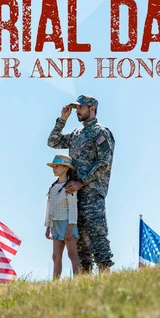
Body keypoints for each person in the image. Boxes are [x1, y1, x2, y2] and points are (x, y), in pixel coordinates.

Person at [47, 95, 115, 273]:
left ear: (92, 108)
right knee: (80, 241)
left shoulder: (101, 132)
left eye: (81, 108)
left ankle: (106, 276)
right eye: (76, 108)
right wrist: (62, 119)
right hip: (73, 195)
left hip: (92, 193)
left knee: (97, 235)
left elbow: (103, 163)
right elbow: (53, 142)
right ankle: (84, 280)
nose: (77, 111)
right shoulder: (77, 134)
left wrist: (82, 182)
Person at [45, 154, 81, 279]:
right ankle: (55, 282)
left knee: (72, 254)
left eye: (57, 166)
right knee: (56, 256)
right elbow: (49, 206)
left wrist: (71, 226)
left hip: (67, 223)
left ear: (65, 168)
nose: (54, 169)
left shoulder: (69, 186)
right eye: (53, 166)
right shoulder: (53, 187)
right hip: (55, 224)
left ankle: (79, 280)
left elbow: (72, 206)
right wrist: (48, 226)